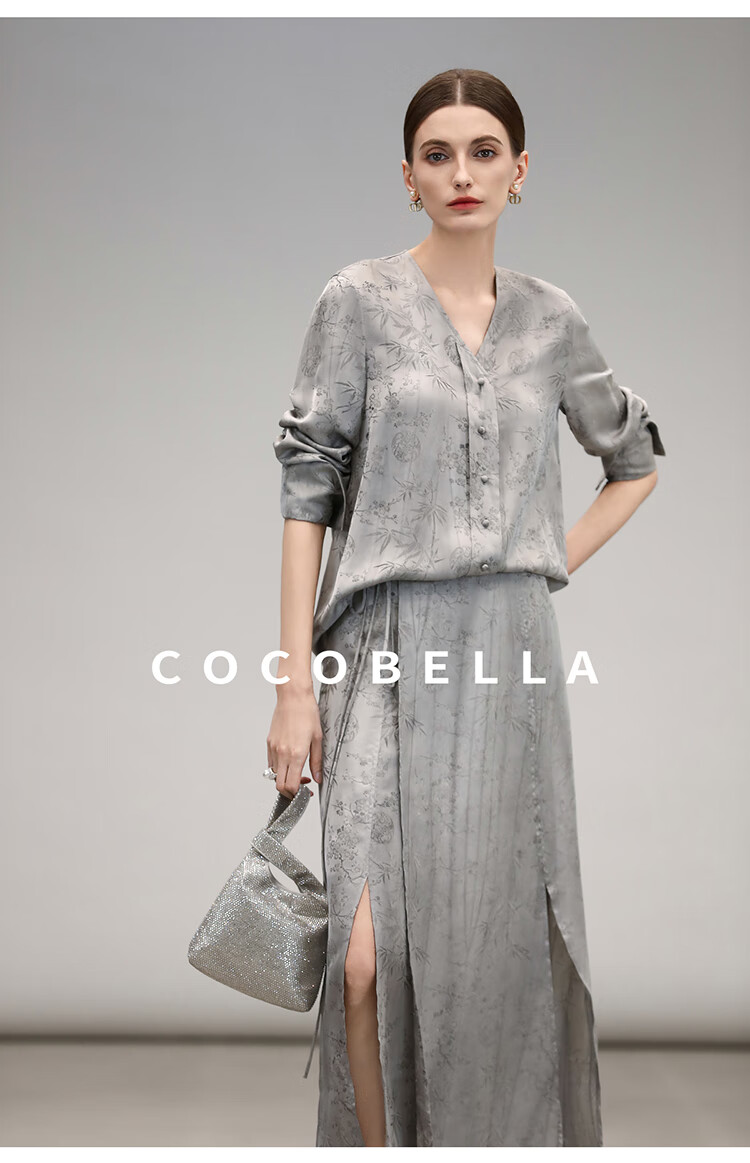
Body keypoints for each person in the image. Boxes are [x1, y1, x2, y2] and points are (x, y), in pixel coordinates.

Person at [266, 67, 665, 1149]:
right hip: (380, 649)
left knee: (493, 951)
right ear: (408, 177)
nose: (461, 173)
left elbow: (632, 459)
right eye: (437, 154)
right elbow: (306, 490)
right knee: (362, 957)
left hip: (509, 662)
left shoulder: (552, 320)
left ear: (520, 171)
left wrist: (537, 563)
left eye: (484, 151)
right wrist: (293, 683)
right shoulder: (356, 302)